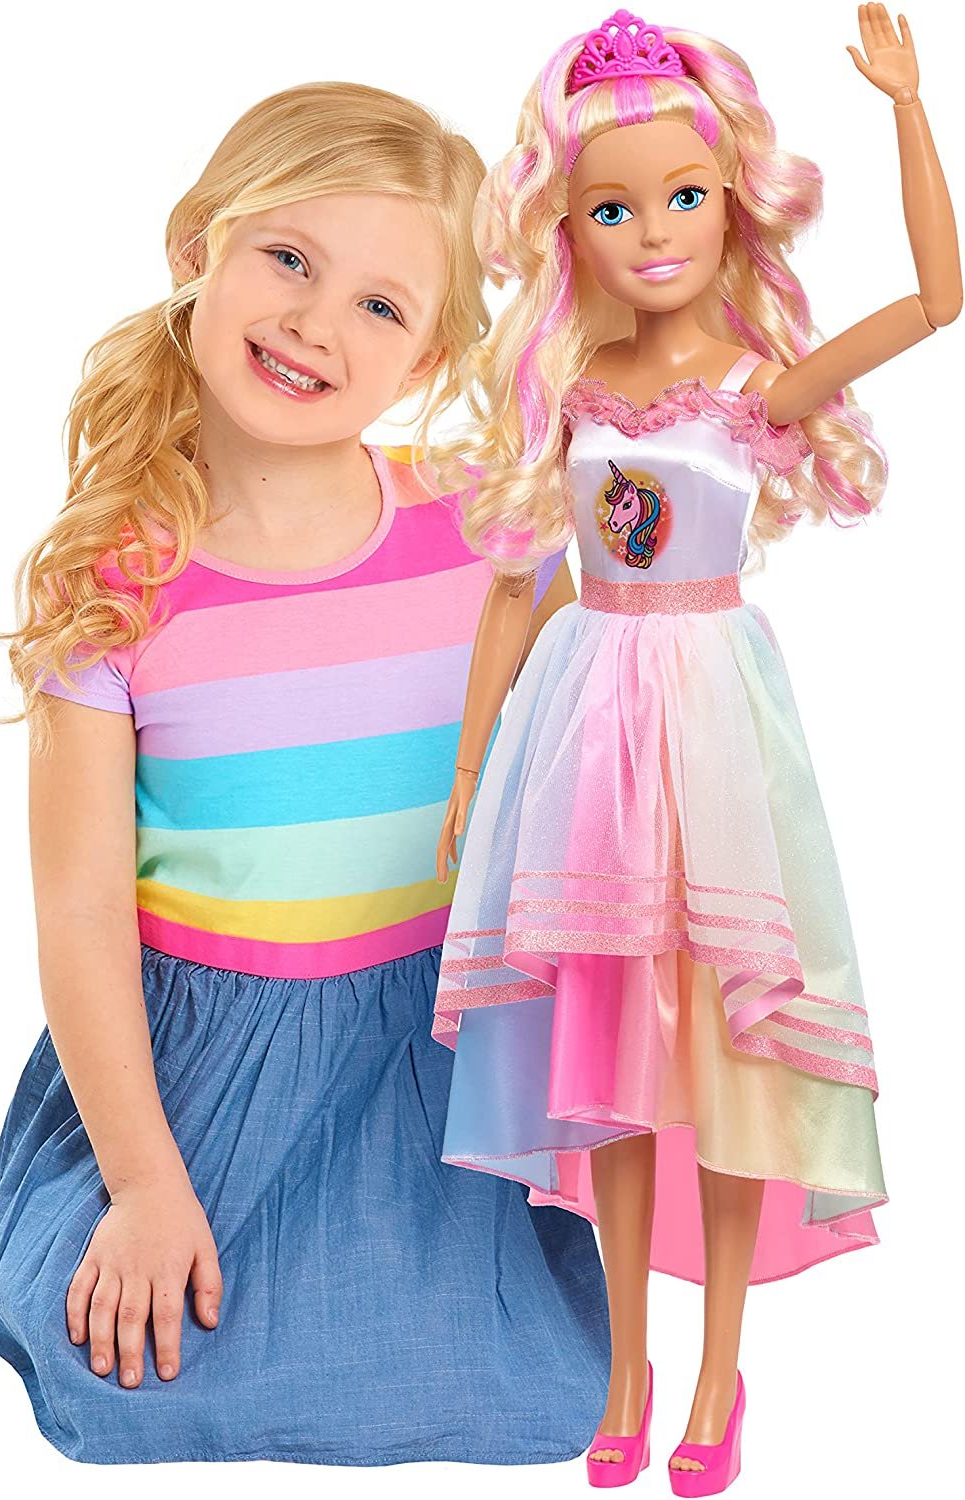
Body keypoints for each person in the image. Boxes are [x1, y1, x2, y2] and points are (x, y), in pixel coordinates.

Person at [0, 79, 610, 1467]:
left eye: (381, 304)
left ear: (431, 358)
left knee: (534, 1396)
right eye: (289, 259)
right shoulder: (111, 581)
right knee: (125, 1376)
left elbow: (588, 758)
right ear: (197, 246)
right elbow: (81, 913)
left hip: (425, 1059)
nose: (318, 322)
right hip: (207, 1068)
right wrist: (144, 1186)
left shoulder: (486, 537)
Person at [428, 7, 960, 1493]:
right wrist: (469, 774)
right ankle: (627, 1363)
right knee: (604, 1054)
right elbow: (514, 590)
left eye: (682, 195)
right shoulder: (569, 385)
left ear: (733, 200)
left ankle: (719, 1363)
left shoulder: (753, 384)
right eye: (612, 208)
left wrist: (909, 109)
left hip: (714, 724)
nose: (653, 232)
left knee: (725, 1046)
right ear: (568, 229)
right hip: (584, 726)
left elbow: (940, 298)